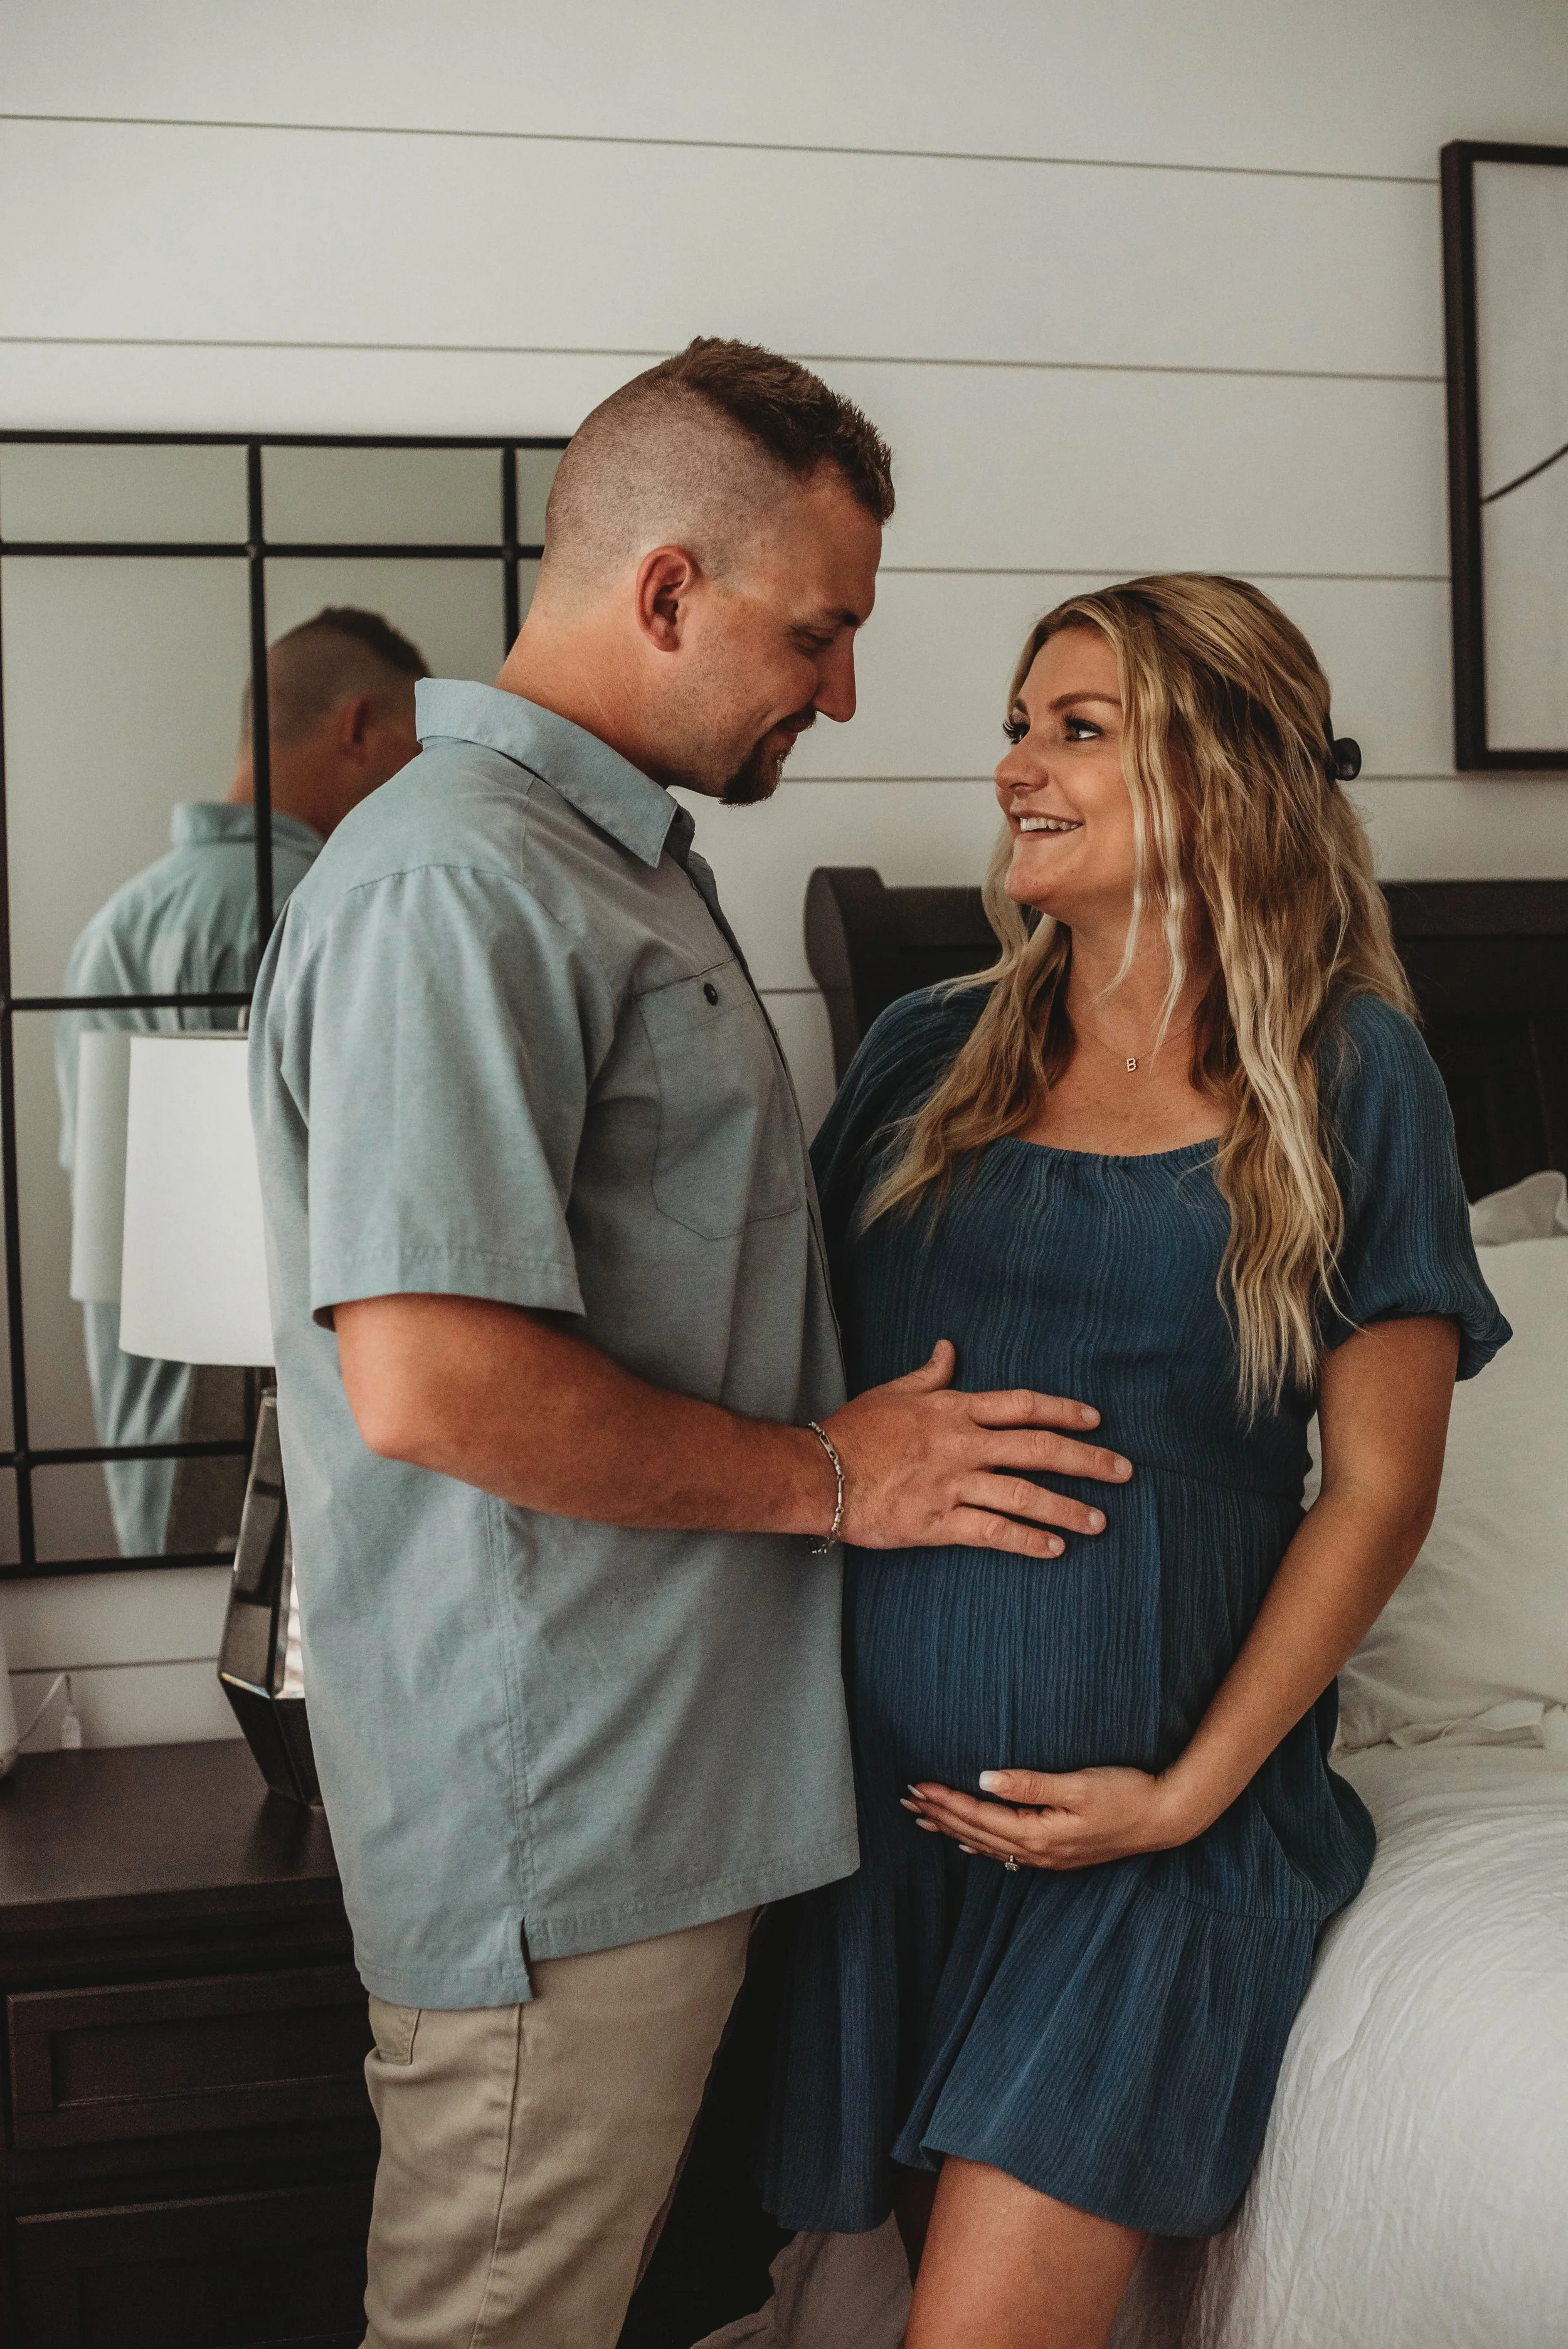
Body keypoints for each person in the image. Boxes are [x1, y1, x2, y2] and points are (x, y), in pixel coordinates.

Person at [247, 339, 1130, 2349]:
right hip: (565, 1824)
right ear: (665, 592)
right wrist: (837, 1476)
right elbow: (433, 1381)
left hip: (676, 1798)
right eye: (816, 634)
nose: (842, 692)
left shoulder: (603, 864)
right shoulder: (461, 885)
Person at [763, 576, 1510, 2349]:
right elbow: (788, 1389)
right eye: (1017, 728)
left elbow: (1379, 1489)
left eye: (1077, 730)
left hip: (1156, 1849)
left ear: (1222, 771)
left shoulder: (1350, 1072)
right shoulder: (923, 1051)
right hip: (897, 1831)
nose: (1016, 768)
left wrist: (1181, 1799)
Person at [56, 608, 426, 1556]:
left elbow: (104, 1205)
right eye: (415, 748)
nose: (424, 784)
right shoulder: (314, 914)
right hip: (291, 1447)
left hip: (150, 1432)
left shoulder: (116, 923)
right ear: (358, 728)